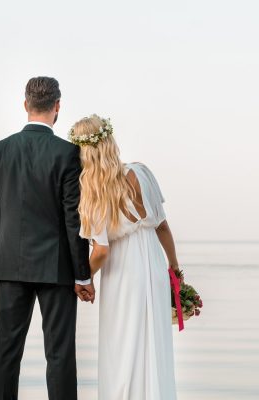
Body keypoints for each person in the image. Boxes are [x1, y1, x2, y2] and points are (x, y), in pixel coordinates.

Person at [0, 76, 94, 400]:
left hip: (10, 266)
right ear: (57, 107)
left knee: (5, 353)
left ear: (25, 104)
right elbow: (73, 219)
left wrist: (2, 257)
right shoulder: (68, 153)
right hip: (56, 269)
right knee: (59, 354)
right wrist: (82, 273)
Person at [69, 114, 180, 399]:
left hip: (122, 272)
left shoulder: (93, 192)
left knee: (122, 344)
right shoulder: (142, 172)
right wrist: (174, 269)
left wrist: (83, 278)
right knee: (153, 341)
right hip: (153, 263)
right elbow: (163, 226)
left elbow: (102, 251)